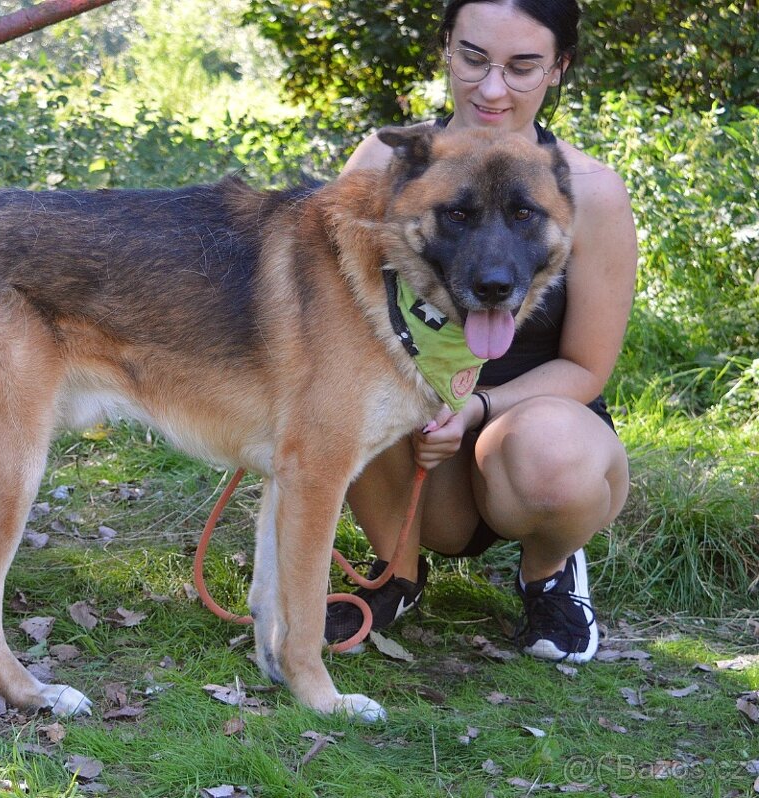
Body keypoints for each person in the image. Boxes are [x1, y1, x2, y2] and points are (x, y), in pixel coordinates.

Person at [323, 0, 636, 662]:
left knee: (550, 455)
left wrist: (475, 409)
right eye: (473, 58)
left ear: (559, 67)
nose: (492, 89)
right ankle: (395, 572)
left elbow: (586, 368)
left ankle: (549, 572)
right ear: (445, 47)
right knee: (341, 391)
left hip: (532, 442)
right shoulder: (382, 162)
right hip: (415, 449)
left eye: (522, 67)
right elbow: (330, 323)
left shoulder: (592, 191)